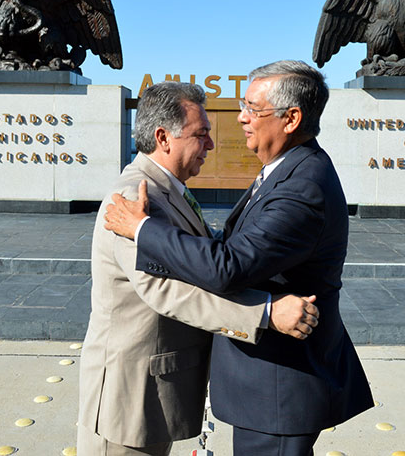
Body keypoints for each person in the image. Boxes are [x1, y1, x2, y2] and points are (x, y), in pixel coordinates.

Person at [105, 61, 374, 456]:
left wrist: (143, 229)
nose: (242, 118)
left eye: (252, 108)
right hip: (269, 384)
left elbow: (227, 265)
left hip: (280, 385)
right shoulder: (287, 170)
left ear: (291, 118)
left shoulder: (302, 188)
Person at [77, 81, 320, 456]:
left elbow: (201, 256)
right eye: (201, 135)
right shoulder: (135, 199)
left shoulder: (168, 189)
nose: (210, 145)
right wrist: (266, 312)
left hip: (154, 391)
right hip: (128, 398)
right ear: (164, 137)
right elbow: (167, 290)